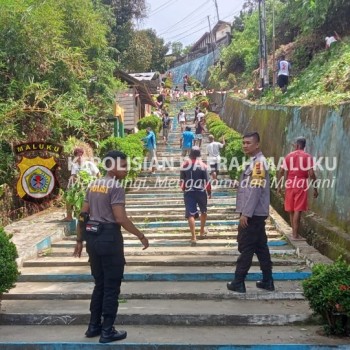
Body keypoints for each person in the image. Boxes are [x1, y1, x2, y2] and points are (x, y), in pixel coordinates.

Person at [73, 150, 149, 343]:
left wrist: (79, 240)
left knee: (99, 283)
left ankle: (93, 326)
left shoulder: (93, 185)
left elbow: (83, 215)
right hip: (109, 238)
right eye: (122, 165)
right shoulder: (115, 187)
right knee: (111, 286)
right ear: (111, 166)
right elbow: (120, 218)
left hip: (92, 238)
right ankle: (107, 330)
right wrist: (140, 235)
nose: (126, 169)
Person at [227, 132, 274, 293]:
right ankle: (268, 280)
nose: (245, 145)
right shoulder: (254, 163)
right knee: (261, 247)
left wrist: (246, 213)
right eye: (244, 143)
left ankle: (238, 281)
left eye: (248, 143)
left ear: (257, 145)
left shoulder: (259, 164)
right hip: (256, 213)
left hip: (253, 214)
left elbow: (255, 190)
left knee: (246, 246)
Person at [277, 136, 318, 240]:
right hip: (301, 183)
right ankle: (295, 234)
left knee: (291, 209)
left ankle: (293, 233)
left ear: (298, 145)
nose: (294, 146)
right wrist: (315, 188)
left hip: (290, 182)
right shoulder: (307, 157)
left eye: (294, 144)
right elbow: (311, 173)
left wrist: (279, 186)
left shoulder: (289, 156)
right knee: (298, 209)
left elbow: (281, 171)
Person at [180, 146, 211, 243]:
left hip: (189, 191)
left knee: (190, 214)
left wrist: (184, 189)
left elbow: (182, 181)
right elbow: (207, 181)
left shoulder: (184, 165)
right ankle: (201, 231)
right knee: (203, 211)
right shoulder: (203, 165)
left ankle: (193, 237)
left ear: (190, 155)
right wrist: (209, 192)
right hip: (201, 191)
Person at [64, 147, 100, 221]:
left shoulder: (89, 164)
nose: (80, 157)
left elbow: (98, 174)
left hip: (90, 185)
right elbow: (73, 176)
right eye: (78, 155)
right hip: (79, 186)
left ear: (83, 156)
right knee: (68, 198)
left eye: (81, 155)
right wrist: (73, 181)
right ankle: (69, 217)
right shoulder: (74, 166)